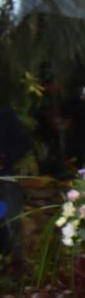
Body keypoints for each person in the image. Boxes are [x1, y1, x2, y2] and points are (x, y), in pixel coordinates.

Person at [0, 106, 30, 264]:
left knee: (7, 217)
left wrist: (4, 158)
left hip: (4, 179)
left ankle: (9, 258)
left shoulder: (5, 115)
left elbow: (22, 144)